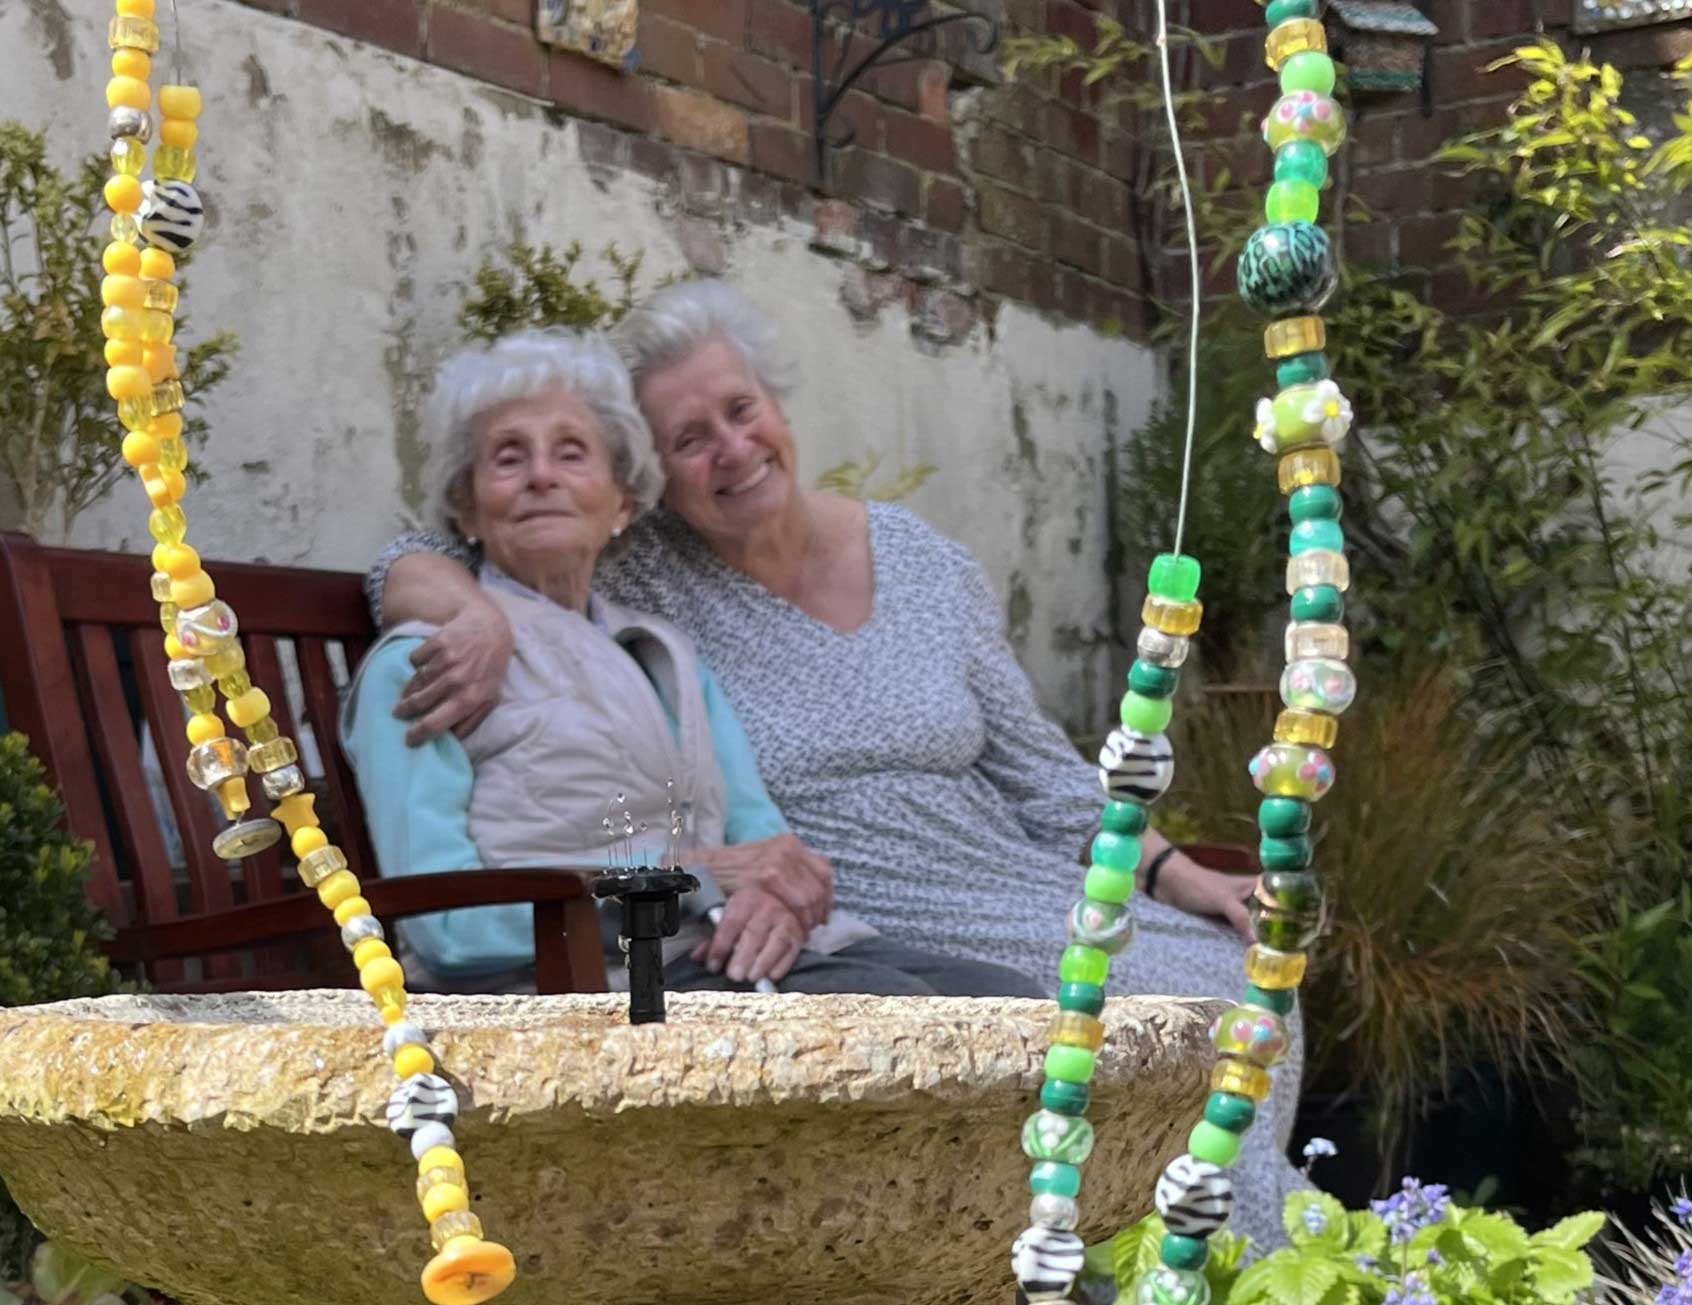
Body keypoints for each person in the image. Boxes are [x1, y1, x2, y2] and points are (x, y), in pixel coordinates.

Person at [363, 284, 1303, 1246]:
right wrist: (465, 610)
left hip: (953, 888)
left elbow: (1039, 772)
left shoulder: (908, 559)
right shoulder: (637, 574)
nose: (731, 449)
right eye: (690, 439)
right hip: (847, 908)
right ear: (653, 484)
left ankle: (1232, 1273)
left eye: (741, 411)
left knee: (1225, 969)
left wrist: (1176, 872)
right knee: (1093, 1028)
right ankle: (1201, 1279)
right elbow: (425, 549)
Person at [342, 327, 1040, 1000]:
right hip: (591, 980)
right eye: (507, 457)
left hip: (726, 955)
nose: (542, 476)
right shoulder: (427, 662)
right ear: (465, 508)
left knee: (1011, 1001)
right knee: (906, 1027)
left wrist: (775, 898)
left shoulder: (664, 653)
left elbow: (762, 837)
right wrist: (695, 882)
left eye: (572, 452)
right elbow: (445, 928)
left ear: (620, 502)